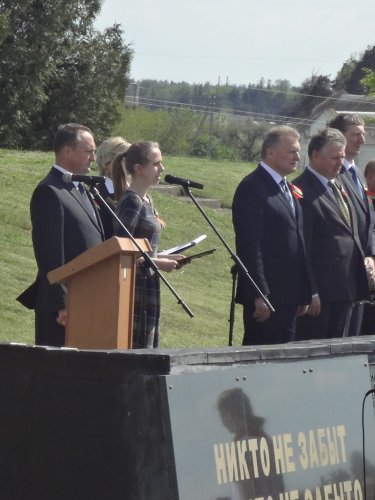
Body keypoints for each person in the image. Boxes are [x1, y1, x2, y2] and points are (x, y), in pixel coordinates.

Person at [17, 123, 104, 347]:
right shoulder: (49, 191)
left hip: (89, 297)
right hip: (62, 308)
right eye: (88, 151)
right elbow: (50, 255)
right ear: (67, 151)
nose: (93, 158)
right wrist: (62, 302)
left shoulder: (82, 188)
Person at [232, 125, 312, 346]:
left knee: (283, 363)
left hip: (290, 295)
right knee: (260, 359)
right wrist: (259, 292)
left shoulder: (288, 188)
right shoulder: (253, 187)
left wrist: (304, 290)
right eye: (292, 151)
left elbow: (299, 243)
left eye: (298, 151)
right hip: (267, 296)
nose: (297, 157)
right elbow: (250, 245)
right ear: (270, 152)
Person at [293, 128, 369, 340]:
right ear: (315, 156)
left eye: (342, 157)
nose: (340, 162)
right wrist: (312, 291)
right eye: (335, 157)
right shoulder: (301, 190)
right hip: (322, 295)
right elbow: (303, 248)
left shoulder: (342, 183)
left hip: (347, 288)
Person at [112, 141, 183, 348]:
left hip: (148, 283)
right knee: (137, 347)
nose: (162, 168)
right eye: (156, 164)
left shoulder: (147, 199)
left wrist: (167, 257)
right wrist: (159, 264)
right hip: (135, 287)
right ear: (139, 168)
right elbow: (121, 251)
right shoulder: (132, 201)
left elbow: (145, 248)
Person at [329, 113, 375, 335]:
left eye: (363, 134)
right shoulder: (334, 176)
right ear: (340, 138)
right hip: (341, 278)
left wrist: (371, 256)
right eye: (356, 134)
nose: (362, 140)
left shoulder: (356, 173)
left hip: (362, 276)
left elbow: (367, 221)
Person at [95, 136, 131, 239]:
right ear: (107, 164)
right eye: (124, 158)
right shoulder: (98, 193)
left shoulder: (135, 191)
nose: (131, 163)